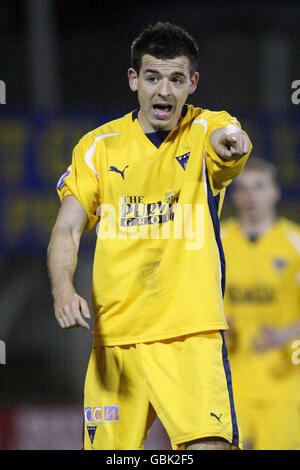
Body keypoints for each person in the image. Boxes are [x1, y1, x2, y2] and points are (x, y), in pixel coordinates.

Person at [47, 22, 252, 450]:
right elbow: (66, 226)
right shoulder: (97, 147)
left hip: (189, 335)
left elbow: (228, 138)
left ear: (192, 83)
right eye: (153, 77)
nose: (164, 91)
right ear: (134, 80)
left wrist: (233, 142)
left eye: (177, 79)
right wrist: (63, 290)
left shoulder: (204, 130)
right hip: (116, 343)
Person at [221, 157, 300, 450]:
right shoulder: (219, 241)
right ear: (235, 195)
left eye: (259, 187)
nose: (251, 196)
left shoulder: (295, 244)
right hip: (230, 379)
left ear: (275, 192)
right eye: (243, 189)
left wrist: (285, 334)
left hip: (284, 378)